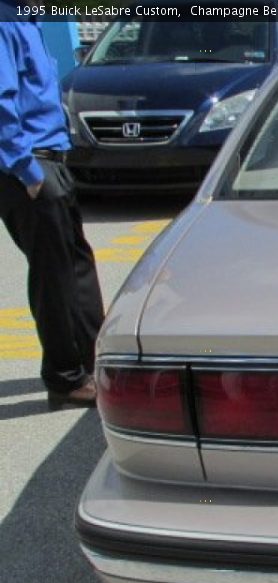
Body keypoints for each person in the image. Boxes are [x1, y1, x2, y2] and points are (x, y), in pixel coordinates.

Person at [0, 7, 104, 408]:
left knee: (76, 265)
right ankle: (64, 379)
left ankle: (95, 363)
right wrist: (27, 171)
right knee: (55, 276)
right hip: (30, 167)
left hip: (52, 159)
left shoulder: (32, 21)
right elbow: (3, 103)